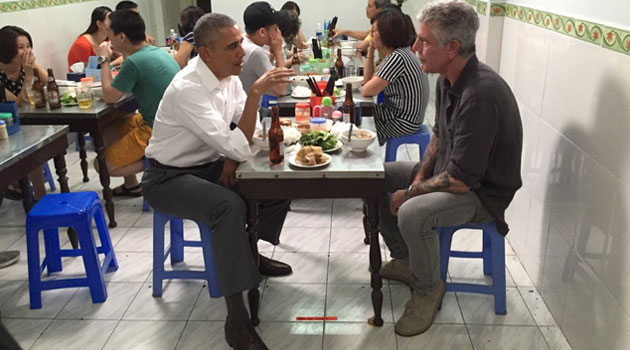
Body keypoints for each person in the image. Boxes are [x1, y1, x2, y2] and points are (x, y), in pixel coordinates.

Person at [142, 12, 294, 350]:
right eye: (232, 47)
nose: (242, 52)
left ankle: (250, 253)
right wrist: (256, 94)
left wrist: (230, 157)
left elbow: (243, 132)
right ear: (206, 53)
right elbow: (237, 140)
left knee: (278, 181)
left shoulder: (228, 77)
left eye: (240, 43)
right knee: (228, 206)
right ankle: (236, 321)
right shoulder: (188, 89)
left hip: (210, 164)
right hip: (167, 176)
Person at [378, 0, 523, 337]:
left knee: (413, 212)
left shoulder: (481, 94)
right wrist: (417, 177)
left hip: (481, 192)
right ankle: (406, 260)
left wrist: (411, 193)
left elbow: (460, 180)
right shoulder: (448, 77)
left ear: (452, 47)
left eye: (424, 41)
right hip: (457, 172)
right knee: (378, 176)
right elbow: (440, 138)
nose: (415, 48)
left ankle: (428, 289)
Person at [94, 9, 179, 197]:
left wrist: (104, 59)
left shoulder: (134, 62)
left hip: (156, 129)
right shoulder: (155, 52)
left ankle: (159, 164)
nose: (108, 40)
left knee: (101, 165)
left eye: (110, 35)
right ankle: (132, 184)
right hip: (168, 124)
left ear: (122, 37)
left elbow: (109, 96)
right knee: (111, 127)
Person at [362, 8, 429, 145]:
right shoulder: (399, 53)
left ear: (387, 33)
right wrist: (370, 51)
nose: (371, 34)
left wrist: (371, 51)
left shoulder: (397, 58)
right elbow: (368, 81)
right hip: (403, 115)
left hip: (403, 121)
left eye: (374, 31)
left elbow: (367, 89)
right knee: (359, 112)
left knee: (359, 123)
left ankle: (365, 163)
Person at [0, 25, 48, 202]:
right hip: (5, 123)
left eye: (28, 45)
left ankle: (38, 192)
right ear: (6, 49)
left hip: (24, 121)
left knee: (37, 139)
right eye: (21, 47)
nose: (27, 51)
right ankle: (21, 184)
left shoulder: (24, 64)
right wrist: (28, 76)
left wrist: (33, 66)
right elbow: (16, 105)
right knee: (33, 141)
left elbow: (49, 80)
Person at [240, 1, 286, 96]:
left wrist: (272, 58)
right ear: (262, 32)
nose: (278, 33)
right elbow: (280, 89)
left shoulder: (243, 40)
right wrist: (278, 51)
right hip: (251, 110)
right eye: (275, 29)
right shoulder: (256, 52)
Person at [67, 6, 111, 71]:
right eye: (110, 21)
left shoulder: (107, 39)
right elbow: (90, 70)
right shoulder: (83, 44)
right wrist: (106, 65)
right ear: (99, 24)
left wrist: (109, 65)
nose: (114, 24)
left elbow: (123, 56)